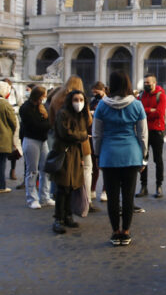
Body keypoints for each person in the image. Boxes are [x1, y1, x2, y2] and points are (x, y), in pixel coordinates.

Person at [93, 71, 147, 246]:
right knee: (129, 196)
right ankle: (126, 231)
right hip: (131, 154)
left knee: (113, 196)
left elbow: (97, 134)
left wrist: (97, 154)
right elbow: (143, 134)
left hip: (109, 154)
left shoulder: (102, 105)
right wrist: (143, 155)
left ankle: (115, 231)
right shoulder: (137, 105)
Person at [50, 89, 89, 233]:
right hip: (64, 154)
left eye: (81, 100)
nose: (78, 103)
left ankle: (68, 215)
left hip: (76, 155)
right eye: (75, 100)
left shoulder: (80, 116)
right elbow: (65, 133)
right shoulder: (63, 114)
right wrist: (83, 135)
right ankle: (58, 218)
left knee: (72, 187)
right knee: (62, 187)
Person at [20, 86, 52, 209]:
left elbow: (45, 123)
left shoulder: (40, 107)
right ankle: (32, 198)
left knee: (46, 169)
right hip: (31, 140)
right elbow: (36, 125)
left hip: (42, 140)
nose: (44, 98)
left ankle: (44, 196)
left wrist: (46, 124)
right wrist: (48, 124)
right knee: (32, 171)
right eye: (43, 96)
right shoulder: (25, 108)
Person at [137, 73, 166, 198]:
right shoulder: (141, 96)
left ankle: (158, 186)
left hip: (157, 130)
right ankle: (143, 187)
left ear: (154, 83)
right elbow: (139, 111)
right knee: (143, 159)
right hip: (144, 131)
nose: (146, 85)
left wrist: (146, 111)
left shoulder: (161, 95)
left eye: (148, 83)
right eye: (145, 83)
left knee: (158, 159)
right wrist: (151, 110)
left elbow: (160, 112)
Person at [88, 81, 106, 207]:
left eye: (97, 92)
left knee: (105, 165)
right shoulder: (93, 101)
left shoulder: (108, 101)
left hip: (104, 134)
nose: (95, 94)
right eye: (93, 92)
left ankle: (105, 191)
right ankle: (92, 189)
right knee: (94, 165)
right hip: (92, 134)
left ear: (103, 90)